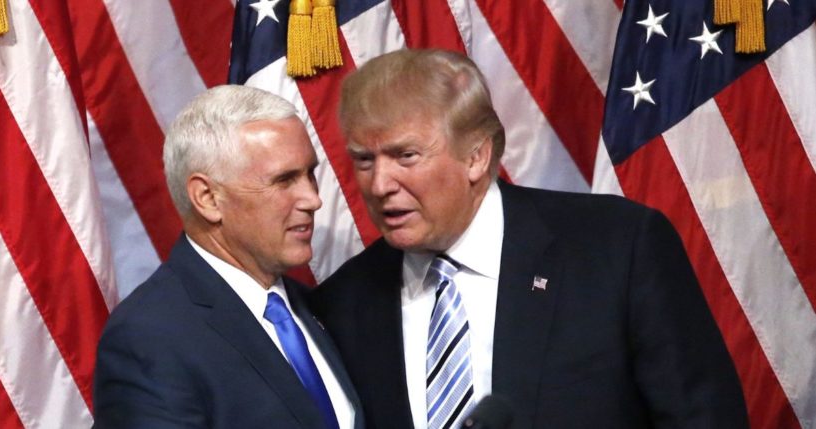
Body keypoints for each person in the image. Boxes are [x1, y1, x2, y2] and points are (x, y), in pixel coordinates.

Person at [309, 49, 748, 428]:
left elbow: (702, 418)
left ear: (476, 156)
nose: (380, 183)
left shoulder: (617, 248)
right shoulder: (344, 303)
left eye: (405, 156)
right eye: (364, 160)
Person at [93, 85, 362, 429]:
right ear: (207, 198)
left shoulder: (316, 308)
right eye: (284, 180)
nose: (312, 199)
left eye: (310, 174)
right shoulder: (149, 338)